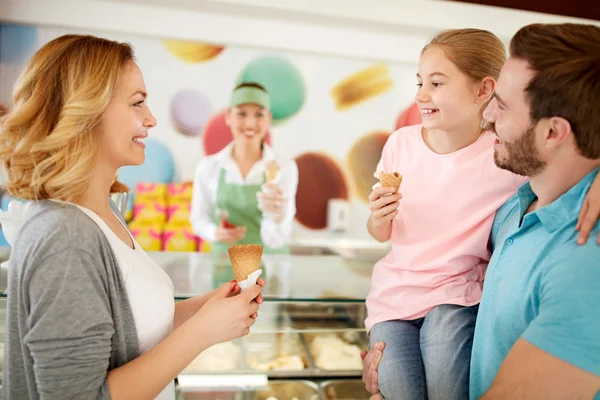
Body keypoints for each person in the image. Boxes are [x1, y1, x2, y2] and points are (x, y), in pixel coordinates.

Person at [0, 34, 264, 400]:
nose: (152, 119)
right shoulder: (65, 238)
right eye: (137, 103)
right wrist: (202, 332)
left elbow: (138, 327)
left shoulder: (103, 216)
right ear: (84, 111)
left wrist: (208, 307)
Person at [363, 28, 600, 399]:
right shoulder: (516, 207)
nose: (488, 114)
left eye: (502, 105)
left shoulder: (585, 259)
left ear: (553, 131)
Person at [190, 82, 298, 255]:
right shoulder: (209, 167)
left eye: (259, 115)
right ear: (229, 117)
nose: (250, 123)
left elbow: (279, 238)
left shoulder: (284, 168)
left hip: (268, 265)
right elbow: (199, 220)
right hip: (224, 264)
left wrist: (278, 217)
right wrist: (215, 233)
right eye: (241, 114)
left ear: (268, 119)